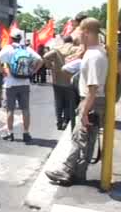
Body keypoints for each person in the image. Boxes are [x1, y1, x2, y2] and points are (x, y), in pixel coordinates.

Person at [45, 18, 108, 185]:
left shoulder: (93, 56)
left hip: (91, 100)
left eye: (79, 30)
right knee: (87, 139)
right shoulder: (96, 52)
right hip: (94, 100)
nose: (76, 34)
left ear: (86, 31)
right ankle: (79, 172)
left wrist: (85, 110)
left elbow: (93, 88)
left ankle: (66, 171)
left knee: (79, 138)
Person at [0, 28, 43, 143]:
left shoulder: (8, 49)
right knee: (25, 109)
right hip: (25, 83)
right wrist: (33, 71)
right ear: (21, 39)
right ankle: (26, 133)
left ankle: (10, 133)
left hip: (10, 83)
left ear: (11, 38)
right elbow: (40, 60)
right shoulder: (27, 49)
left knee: (10, 110)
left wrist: (3, 72)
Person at [44, 36, 82, 130]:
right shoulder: (76, 49)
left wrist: (50, 66)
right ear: (72, 41)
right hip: (70, 80)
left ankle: (59, 122)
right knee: (69, 102)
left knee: (58, 102)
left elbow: (45, 57)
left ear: (64, 41)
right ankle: (66, 121)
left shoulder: (57, 49)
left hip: (57, 80)